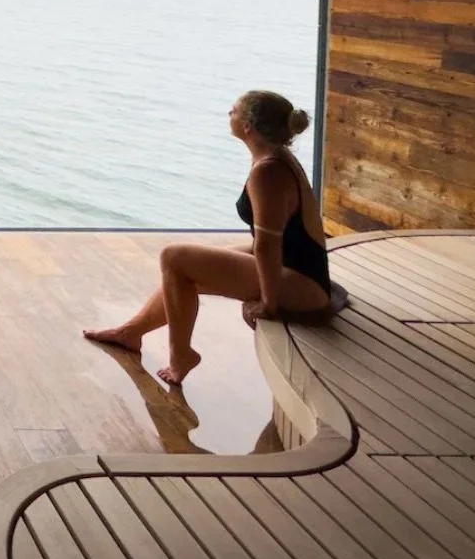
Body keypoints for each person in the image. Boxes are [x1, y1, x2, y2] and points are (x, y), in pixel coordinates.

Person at [83, 90, 332, 386]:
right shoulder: (276, 158)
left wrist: (269, 302)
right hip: (294, 267)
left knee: (174, 257)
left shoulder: (268, 173)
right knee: (186, 267)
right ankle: (131, 333)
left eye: (234, 111)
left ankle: (181, 355)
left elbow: (267, 246)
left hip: (303, 285)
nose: (229, 114)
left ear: (248, 127)